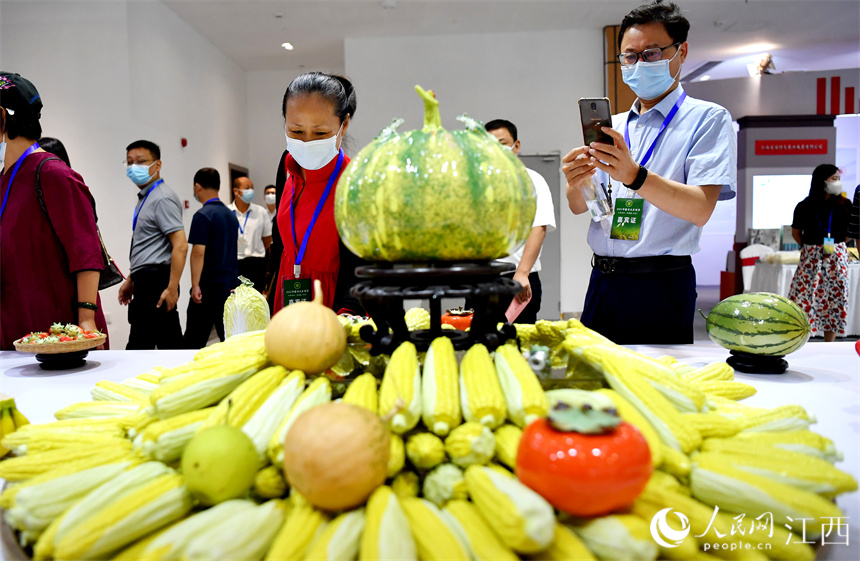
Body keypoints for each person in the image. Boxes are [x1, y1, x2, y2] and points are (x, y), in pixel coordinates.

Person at [562, 1, 736, 344]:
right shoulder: (612, 126)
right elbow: (581, 206)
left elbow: (700, 209)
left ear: (681, 52)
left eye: (652, 53)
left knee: (656, 389)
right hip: (602, 280)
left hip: (660, 284)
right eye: (629, 56)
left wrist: (635, 176)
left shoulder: (708, 119)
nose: (639, 64)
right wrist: (576, 181)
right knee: (595, 384)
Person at [0, 71, 108, 349]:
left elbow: (86, 251)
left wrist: (86, 320)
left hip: (57, 335)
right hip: (13, 327)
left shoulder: (51, 173)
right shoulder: (5, 178)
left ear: (2, 116)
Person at [273, 72, 365, 315]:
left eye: (320, 133)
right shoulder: (287, 165)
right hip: (288, 299)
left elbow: (362, 266)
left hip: (333, 307)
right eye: (296, 131)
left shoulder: (355, 182)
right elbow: (280, 237)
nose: (307, 142)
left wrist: (347, 315)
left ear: (343, 125)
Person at [485, 119, 556, 324]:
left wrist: (522, 273)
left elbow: (539, 227)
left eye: (502, 143)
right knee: (480, 347)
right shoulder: (477, 185)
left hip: (519, 278)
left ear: (516, 146)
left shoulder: (532, 180)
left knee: (519, 345)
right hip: (484, 279)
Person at [118, 139, 187, 349]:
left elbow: (180, 245)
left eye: (140, 162)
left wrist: (172, 288)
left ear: (157, 165)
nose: (133, 168)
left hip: (157, 282)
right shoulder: (146, 197)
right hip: (145, 281)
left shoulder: (162, 198)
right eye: (129, 162)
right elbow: (150, 245)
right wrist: (132, 278)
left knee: (153, 344)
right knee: (153, 342)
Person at [788, 164, 851, 342]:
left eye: (838, 179)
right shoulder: (805, 206)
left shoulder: (845, 205)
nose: (837, 182)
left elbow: (849, 233)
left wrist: (837, 246)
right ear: (821, 181)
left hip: (836, 256)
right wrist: (809, 247)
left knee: (835, 298)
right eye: (834, 179)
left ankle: (829, 341)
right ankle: (799, 339)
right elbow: (795, 232)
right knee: (804, 296)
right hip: (811, 256)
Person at [184, 168, 240, 348]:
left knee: (194, 338)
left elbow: (198, 252)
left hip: (209, 286)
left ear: (197, 187)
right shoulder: (231, 216)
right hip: (230, 284)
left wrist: (195, 285)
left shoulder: (202, 216)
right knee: (229, 337)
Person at [229, 176, 272, 292]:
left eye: (252, 188)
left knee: (255, 301)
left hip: (256, 264)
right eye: (247, 188)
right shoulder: (227, 212)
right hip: (234, 264)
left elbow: (268, 241)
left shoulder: (261, 212)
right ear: (236, 191)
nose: (251, 191)